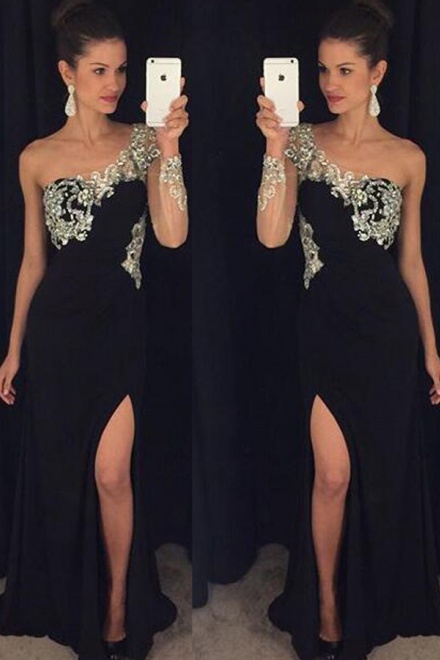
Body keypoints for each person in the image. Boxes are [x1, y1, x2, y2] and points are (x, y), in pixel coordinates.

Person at [0, 0, 188, 658]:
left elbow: (172, 235)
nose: (114, 83)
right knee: (61, 475)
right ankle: (70, 594)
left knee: (112, 474)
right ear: (67, 73)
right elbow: (33, 261)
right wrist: (13, 347)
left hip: (119, 331)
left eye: (121, 70)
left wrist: (168, 150)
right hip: (56, 334)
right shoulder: (35, 158)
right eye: (100, 70)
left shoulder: (142, 143)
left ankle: (115, 609)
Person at [255, 1, 440, 659]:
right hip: (324, 331)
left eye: (344, 70)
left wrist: (432, 347)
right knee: (331, 475)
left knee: (380, 478)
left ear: (377, 73)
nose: (330, 83)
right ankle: (329, 609)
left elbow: (411, 260)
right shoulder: (302, 142)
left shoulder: (409, 158)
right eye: (323, 69)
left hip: (388, 334)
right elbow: (271, 236)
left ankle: (371, 596)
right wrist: (276, 151)